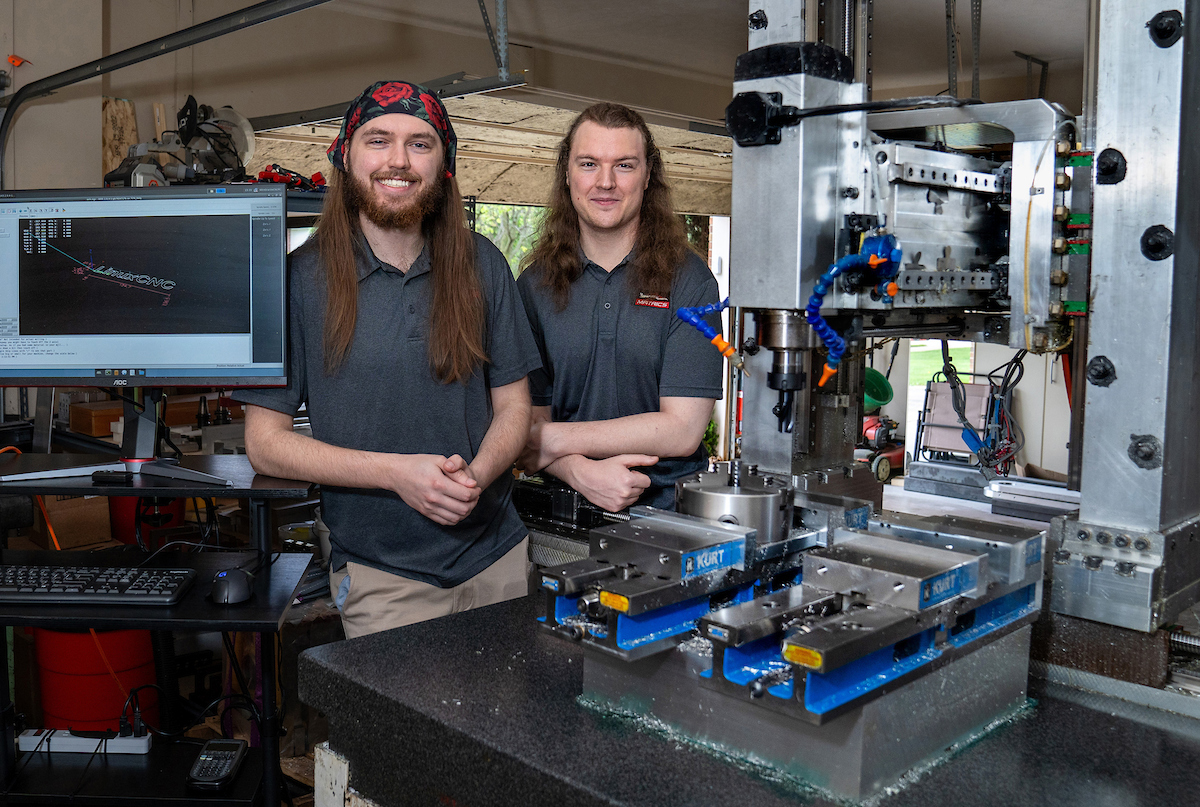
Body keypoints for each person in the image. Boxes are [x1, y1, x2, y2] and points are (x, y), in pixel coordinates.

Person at [235, 81, 541, 639]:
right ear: (345, 155)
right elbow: (265, 442)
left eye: (420, 144)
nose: (398, 160)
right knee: (403, 729)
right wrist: (397, 475)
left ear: (444, 164)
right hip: (384, 577)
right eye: (379, 140)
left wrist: (472, 479)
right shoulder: (299, 280)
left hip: (498, 559)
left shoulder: (484, 264)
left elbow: (514, 408)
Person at [516, 102, 723, 513]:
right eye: (589, 163)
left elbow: (682, 430)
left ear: (648, 176)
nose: (605, 182)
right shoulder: (533, 286)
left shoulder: (691, 281)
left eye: (624, 165)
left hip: (671, 513)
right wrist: (580, 473)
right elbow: (524, 421)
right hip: (559, 512)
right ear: (568, 175)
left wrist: (551, 439)